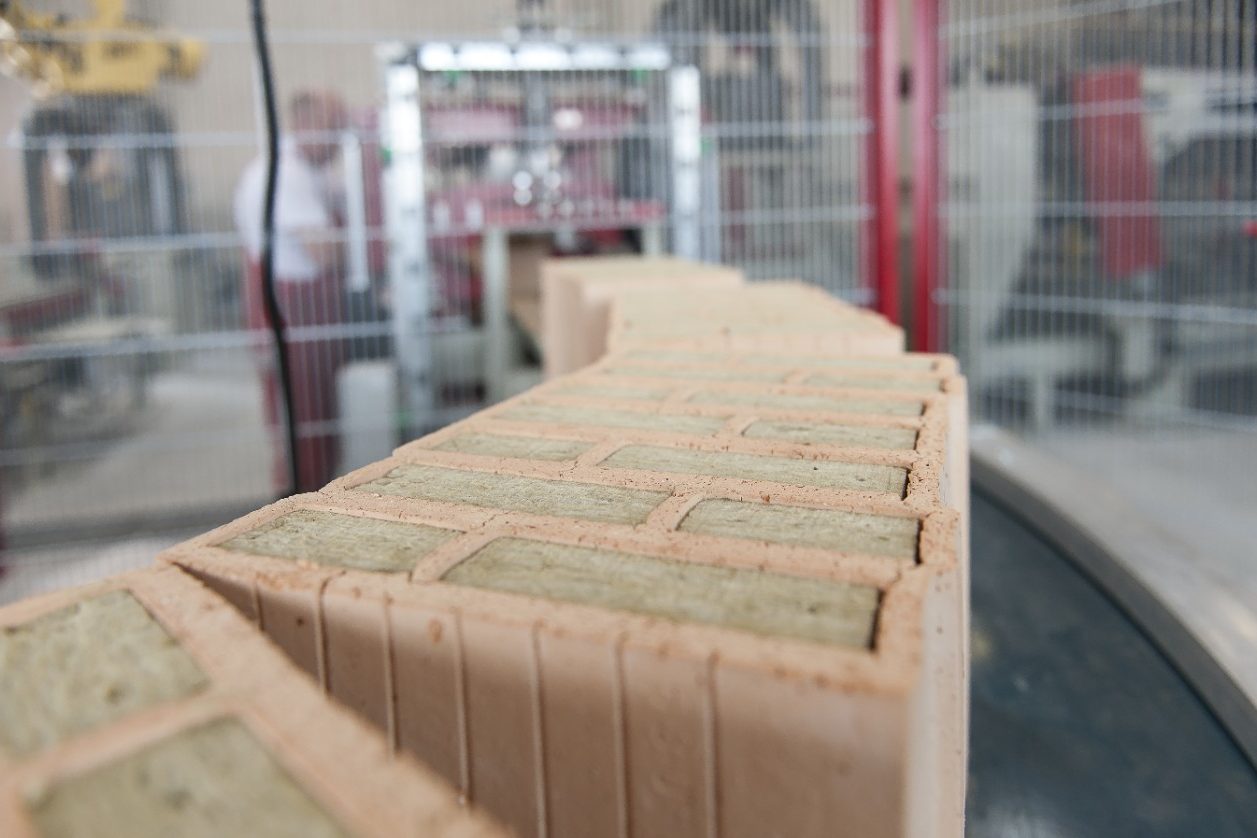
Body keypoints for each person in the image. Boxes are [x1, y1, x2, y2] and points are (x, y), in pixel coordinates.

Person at [234, 90, 348, 493]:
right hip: (292, 317)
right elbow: (322, 252)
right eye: (334, 128)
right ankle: (296, 517)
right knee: (302, 430)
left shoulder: (316, 172)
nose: (340, 139)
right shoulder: (285, 174)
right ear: (305, 124)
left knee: (318, 427)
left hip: (312, 317)